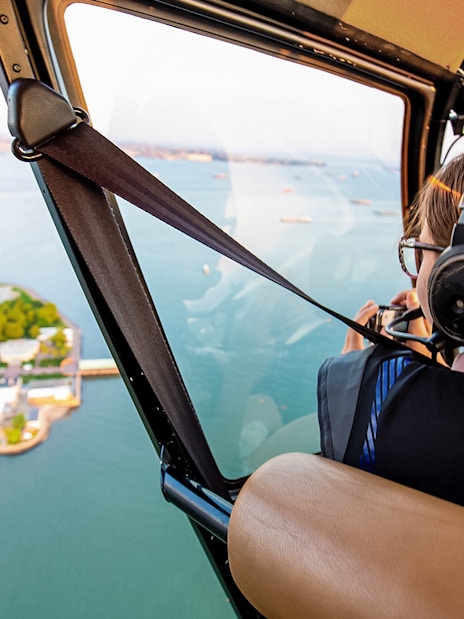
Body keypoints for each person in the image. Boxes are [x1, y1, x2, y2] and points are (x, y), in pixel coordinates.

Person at [318, 154, 464, 505]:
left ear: (455, 274)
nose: (416, 276)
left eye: (421, 255)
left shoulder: (371, 394)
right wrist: (431, 367)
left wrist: (357, 369)